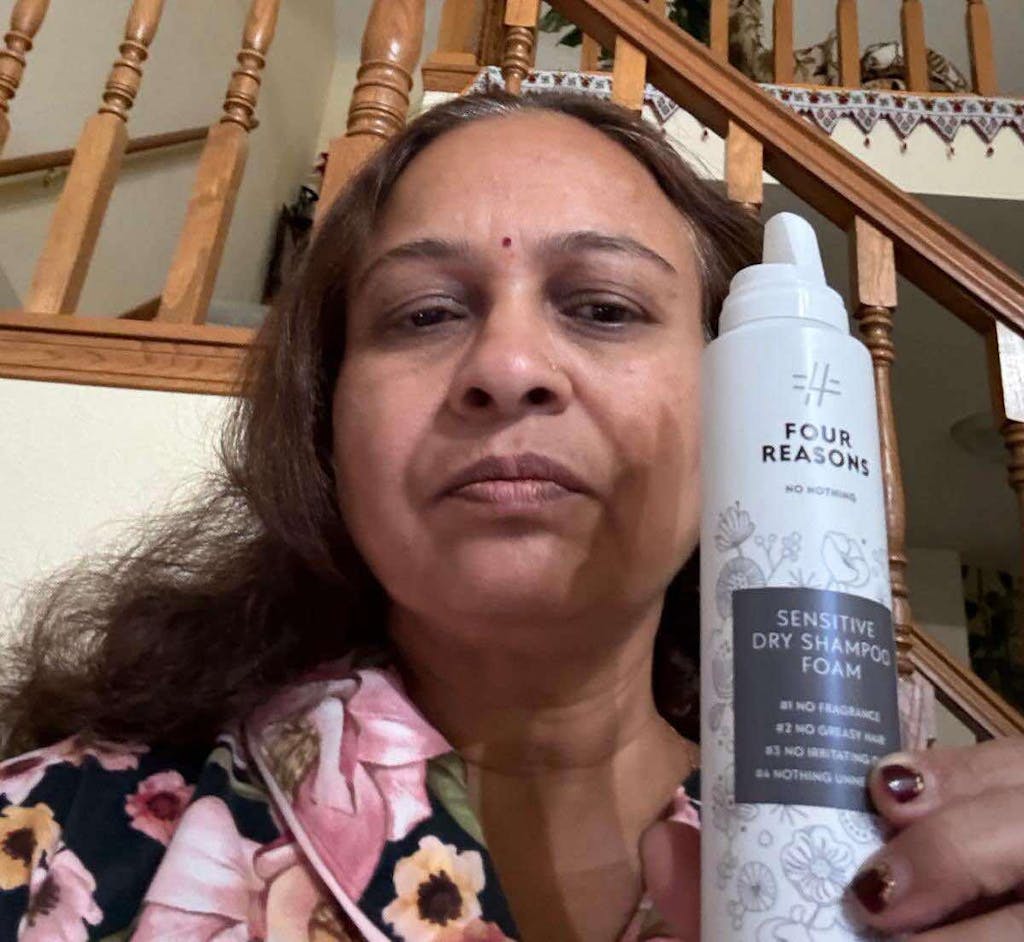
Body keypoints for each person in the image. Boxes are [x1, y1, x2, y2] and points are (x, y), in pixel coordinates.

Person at [0, 90, 1022, 942]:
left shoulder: (889, 851)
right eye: (425, 313)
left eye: (605, 307)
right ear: (326, 423)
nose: (508, 365)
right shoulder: (48, 842)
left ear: (739, 411)